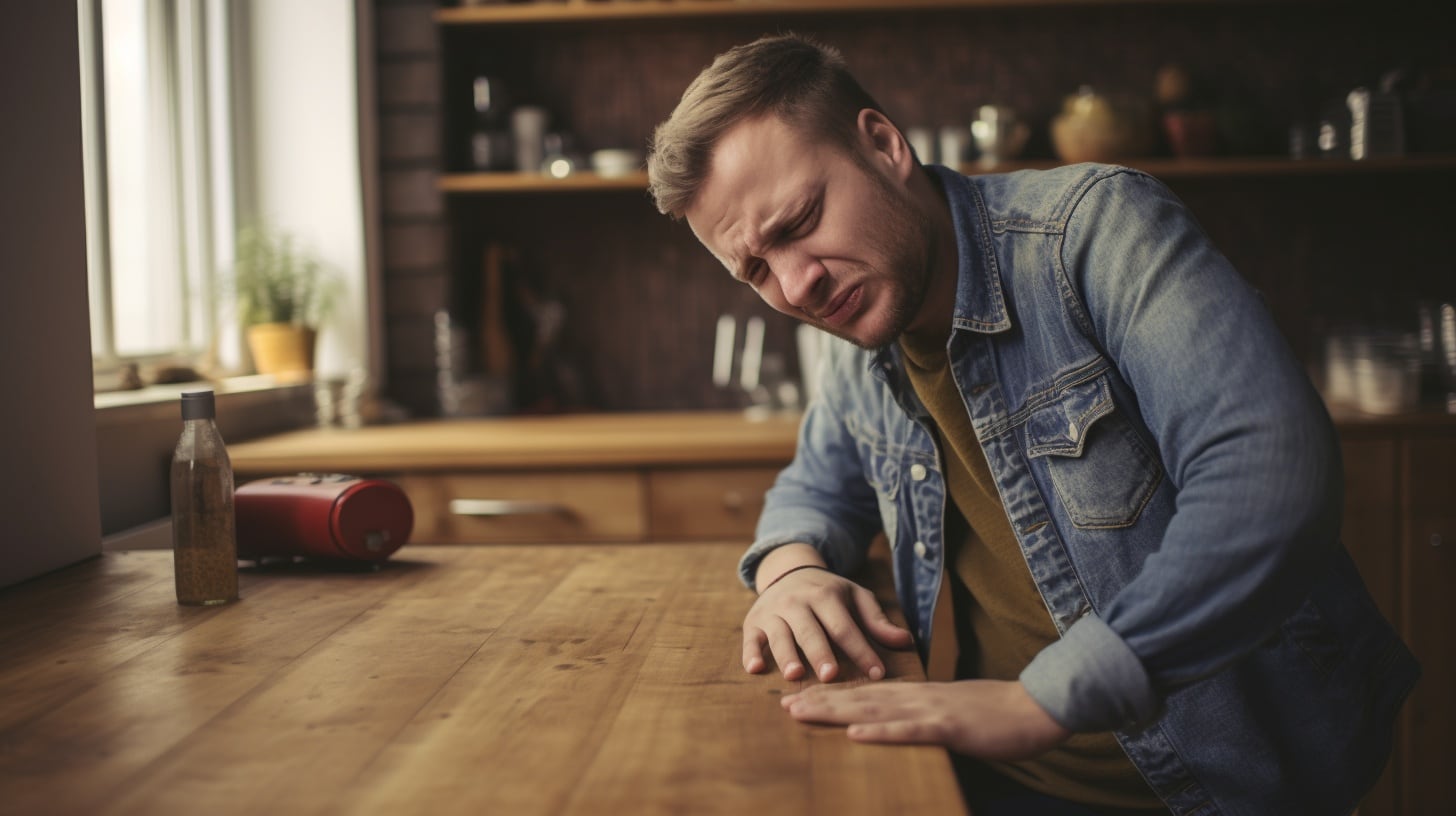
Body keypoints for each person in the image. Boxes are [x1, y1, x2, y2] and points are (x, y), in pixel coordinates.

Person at [645, 33, 1419, 816]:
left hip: (1230, 786)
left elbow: (1270, 476)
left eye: (800, 220)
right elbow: (816, 483)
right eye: (756, 272)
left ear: (882, 145)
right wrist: (790, 572)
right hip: (1002, 780)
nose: (798, 284)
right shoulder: (861, 333)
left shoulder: (1099, 229)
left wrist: (1041, 702)